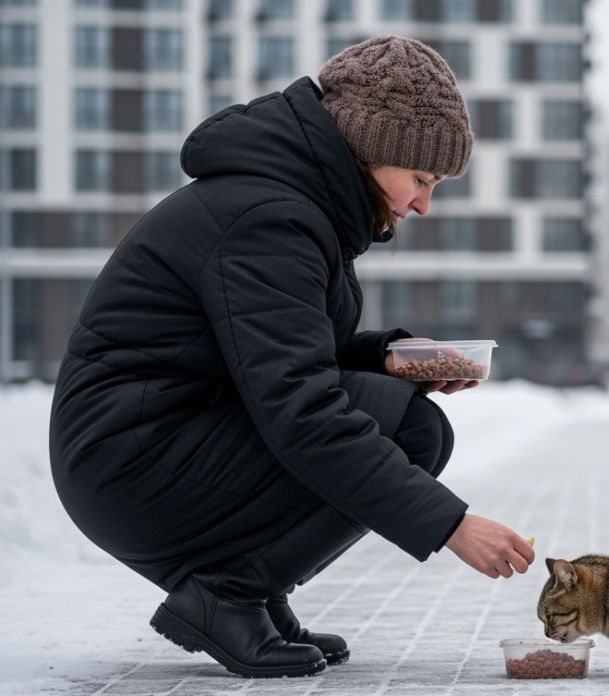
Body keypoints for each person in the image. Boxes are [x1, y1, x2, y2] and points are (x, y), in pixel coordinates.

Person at [47, 36, 534, 679]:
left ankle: (250, 588)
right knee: (411, 431)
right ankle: (229, 593)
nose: (422, 204)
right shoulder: (268, 218)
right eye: (420, 179)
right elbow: (300, 410)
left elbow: (285, 359)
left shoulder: (291, 206)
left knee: (400, 413)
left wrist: (390, 360)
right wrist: (450, 524)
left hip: (152, 442)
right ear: (370, 148)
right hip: (130, 458)